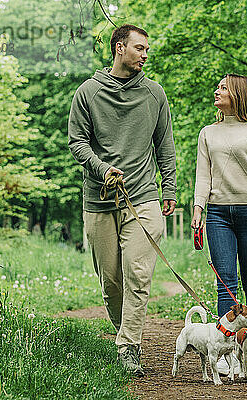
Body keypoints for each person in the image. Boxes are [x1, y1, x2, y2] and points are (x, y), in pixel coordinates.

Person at [68, 24, 176, 377]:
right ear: (119, 48)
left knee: (138, 274)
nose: (146, 54)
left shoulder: (155, 94)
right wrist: (102, 169)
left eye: (147, 49)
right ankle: (124, 332)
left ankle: (129, 346)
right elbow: (77, 142)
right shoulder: (88, 93)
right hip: (99, 199)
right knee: (111, 282)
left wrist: (170, 190)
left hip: (143, 196)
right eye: (140, 48)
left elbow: (165, 147)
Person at [191, 73, 247, 372]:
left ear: (238, 94)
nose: (217, 91)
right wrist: (198, 208)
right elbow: (203, 175)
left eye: (223, 88)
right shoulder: (207, 133)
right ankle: (226, 355)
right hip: (217, 214)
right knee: (225, 284)